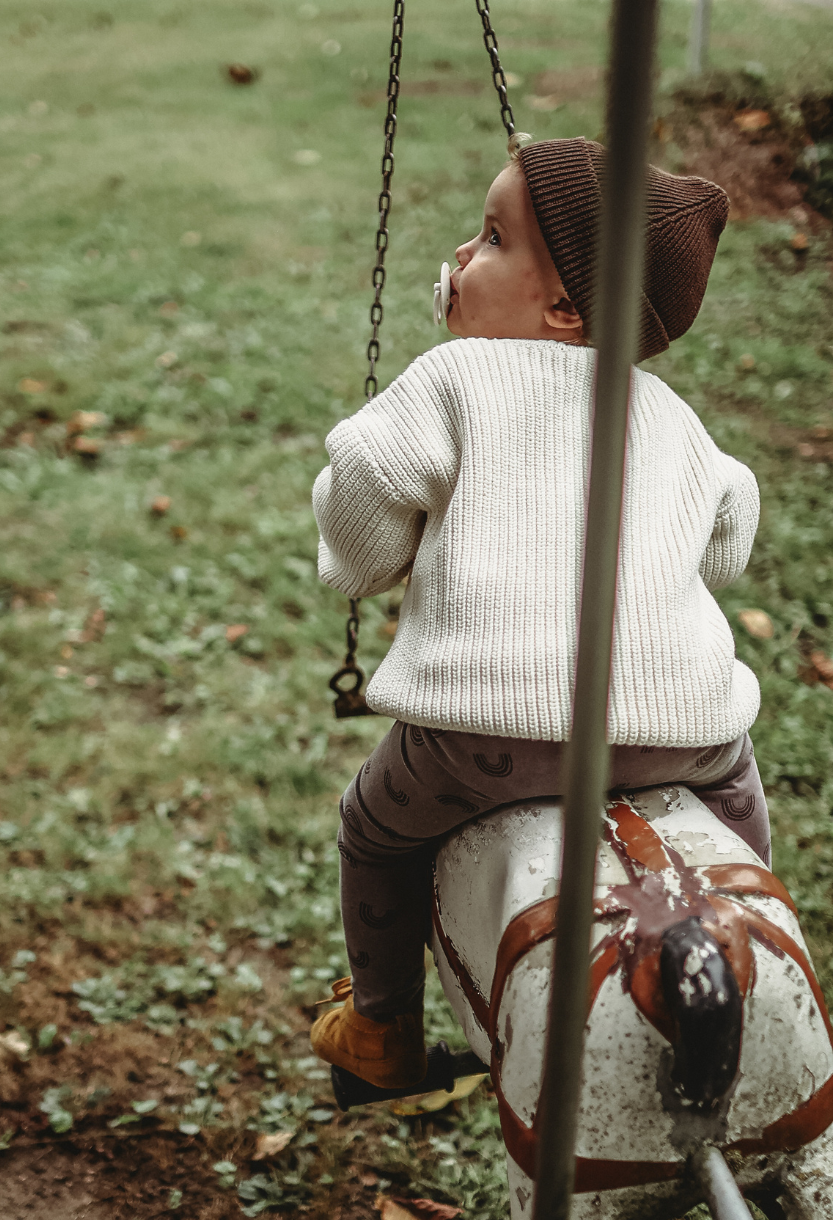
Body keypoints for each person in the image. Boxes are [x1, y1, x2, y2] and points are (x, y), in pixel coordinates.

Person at [309, 137, 766, 1092]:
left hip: (482, 740)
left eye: (489, 237)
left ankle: (381, 1031)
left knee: (372, 827)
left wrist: (357, 556)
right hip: (683, 735)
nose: (462, 259)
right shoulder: (670, 415)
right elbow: (732, 525)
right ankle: (751, 949)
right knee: (737, 808)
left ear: (563, 308)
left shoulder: (454, 378)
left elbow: (366, 481)